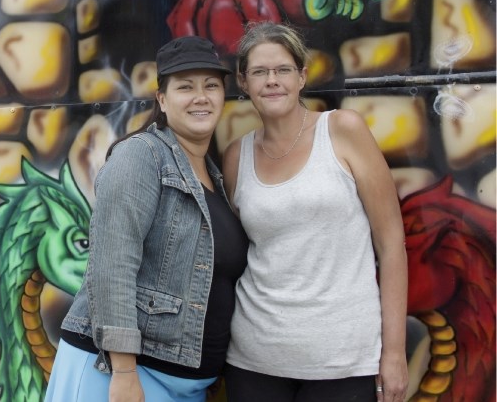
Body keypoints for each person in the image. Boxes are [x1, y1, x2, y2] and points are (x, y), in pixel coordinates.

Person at [45, 36, 249, 402]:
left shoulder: (214, 176)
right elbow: (112, 265)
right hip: (119, 373)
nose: (200, 96)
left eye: (211, 86)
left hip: (184, 385)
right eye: (185, 86)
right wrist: (123, 372)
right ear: (162, 100)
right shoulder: (141, 156)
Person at [221, 22, 408, 402]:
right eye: (259, 72)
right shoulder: (236, 156)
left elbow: (391, 245)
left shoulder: (342, 131)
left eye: (283, 70)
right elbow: (239, 251)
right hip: (253, 361)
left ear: (302, 76)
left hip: (343, 363)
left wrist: (393, 353)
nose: (272, 80)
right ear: (244, 82)